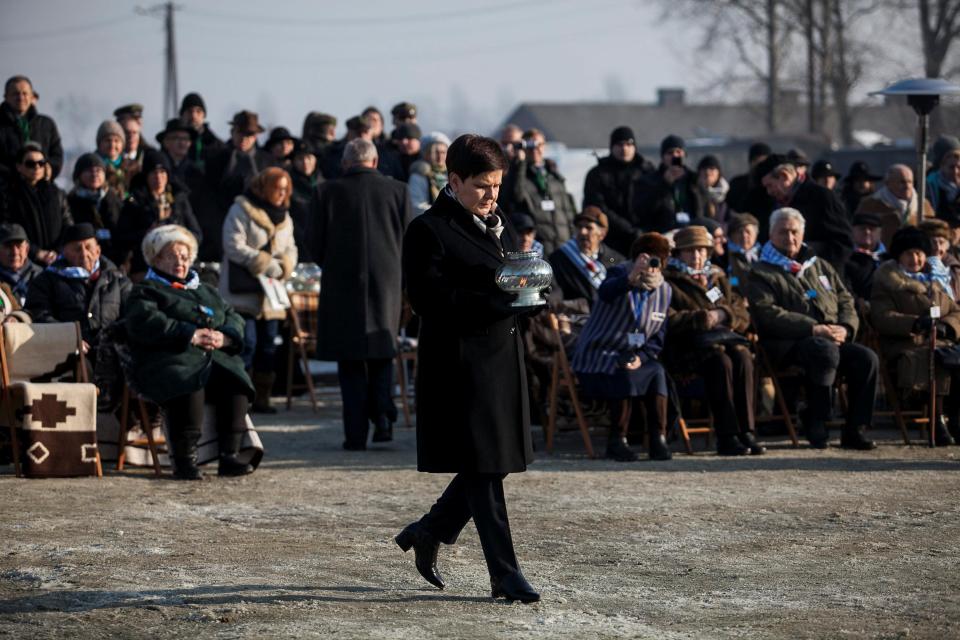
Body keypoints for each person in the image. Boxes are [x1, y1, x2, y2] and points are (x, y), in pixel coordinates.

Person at [398, 134, 539, 603]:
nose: (491, 196)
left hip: (502, 362)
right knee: (483, 469)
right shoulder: (428, 230)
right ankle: (505, 572)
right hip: (460, 368)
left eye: (497, 186)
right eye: (482, 186)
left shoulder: (503, 225)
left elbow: (511, 281)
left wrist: (530, 297)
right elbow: (429, 300)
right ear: (453, 180)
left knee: (489, 466)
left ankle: (429, 530)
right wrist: (498, 300)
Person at [123, 224, 260, 479]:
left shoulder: (205, 289)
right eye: (172, 256)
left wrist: (224, 337)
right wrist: (190, 334)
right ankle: (185, 460)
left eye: (184, 256)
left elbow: (232, 317)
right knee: (188, 379)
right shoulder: (146, 290)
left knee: (236, 380)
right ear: (156, 259)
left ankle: (229, 456)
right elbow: (144, 321)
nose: (180, 262)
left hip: (212, 356)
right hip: (167, 359)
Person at [745, 207, 877, 450]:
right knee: (822, 350)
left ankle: (855, 429)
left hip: (832, 338)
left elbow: (845, 299)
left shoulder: (820, 266)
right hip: (787, 344)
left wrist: (846, 328)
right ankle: (817, 418)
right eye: (783, 232)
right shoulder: (760, 271)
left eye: (795, 232)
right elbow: (767, 314)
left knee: (866, 358)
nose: (790, 238)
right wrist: (814, 328)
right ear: (771, 234)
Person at [312, 139, 412, 449]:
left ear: (345, 163)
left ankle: (355, 435)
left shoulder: (325, 192)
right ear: (375, 160)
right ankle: (382, 418)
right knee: (383, 352)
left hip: (342, 286)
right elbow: (410, 240)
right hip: (388, 284)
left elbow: (313, 244)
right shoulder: (398, 191)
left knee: (351, 363)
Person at [571, 232, 674, 461]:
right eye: (649, 258)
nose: (653, 266)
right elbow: (605, 292)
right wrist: (632, 275)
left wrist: (643, 357)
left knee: (657, 371)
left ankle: (658, 438)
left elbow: (658, 338)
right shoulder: (618, 273)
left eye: (659, 260)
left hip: (634, 355)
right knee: (623, 371)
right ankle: (617, 440)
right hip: (599, 354)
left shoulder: (665, 291)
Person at [664, 225, 763, 455]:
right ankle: (726, 435)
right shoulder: (669, 281)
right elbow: (668, 320)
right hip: (687, 349)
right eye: (690, 251)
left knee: (743, 356)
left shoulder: (716, 277)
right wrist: (702, 319)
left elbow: (741, 311)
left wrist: (724, 315)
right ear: (678, 254)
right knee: (721, 362)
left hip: (724, 341)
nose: (697, 257)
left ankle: (746, 431)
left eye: (701, 251)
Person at [871, 226, 960, 445]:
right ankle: (936, 420)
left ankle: (956, 419)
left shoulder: (935, 281)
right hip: (906, 343)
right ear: (898, 256)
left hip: (939, 339)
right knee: (936, 358)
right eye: (909, 253)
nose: (915, 258)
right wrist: (915, 323)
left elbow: (955, 310)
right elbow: (882, 316)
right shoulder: (887, 281)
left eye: (919, 253)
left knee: (953, 357)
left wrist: (947, 326)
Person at [220, 167, 297, 413]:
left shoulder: (285, 217)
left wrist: (284, 265)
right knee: (247, 343)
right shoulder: (241, 209)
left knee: (268, 346)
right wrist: (262, 262)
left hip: (271, 294)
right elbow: (232, 244)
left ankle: (262, 398)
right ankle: (241, 396)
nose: (281, 193)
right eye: (277, 188)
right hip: (244, 290)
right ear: (264, 187)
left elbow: (291, 247)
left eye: (285, 189)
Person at [25, 223, 131, 369]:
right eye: (76, 249)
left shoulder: (118, 280)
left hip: (113, 353)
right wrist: (69, 337)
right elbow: (38, 313)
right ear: (65, 253)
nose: (83, 253)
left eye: (88, 247)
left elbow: (131, 314)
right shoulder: (46, 281)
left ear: (98, 250)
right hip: (68, 355)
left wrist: (113, 338)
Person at [757, 154, 853, 272]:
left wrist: (805, 252)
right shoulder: (776, 204)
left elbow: (844, 244)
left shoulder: (822, 197)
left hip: (820, 277)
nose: (769, 192)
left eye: (770, 185)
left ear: (784, 176)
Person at [116, 149, 202, 278]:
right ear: (146, 175)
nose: (158, 177)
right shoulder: (135, 202)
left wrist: (179, 236)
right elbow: (121, 237)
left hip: (180, 269)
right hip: (145, 269)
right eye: (153, 173)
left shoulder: (179, 200)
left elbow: (197, 234)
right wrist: (147, 233)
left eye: (162, 172)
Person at [205, 111, 271, 260]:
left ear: (255, 137)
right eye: (240, 133)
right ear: (232, 132)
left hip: (258, 225)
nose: (244, 139)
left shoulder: (266, 161)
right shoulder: (217, 158)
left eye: (249, 135)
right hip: (223, 224)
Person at [502, 128, 577, 256]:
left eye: (539, 145)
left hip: (564, 247)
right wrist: (519, 163)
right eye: (530, 145)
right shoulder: (517, 176)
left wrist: (573, 238)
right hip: (537, 248)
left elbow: (568, 211)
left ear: (545, 146)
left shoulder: (554, 176)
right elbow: (515, 197)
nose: (535, 149)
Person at [581, 125, 653, 255]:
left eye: (628, 144)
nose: (624, 148)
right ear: (612, 147)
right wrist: (628, 229)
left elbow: (658, 204)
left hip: (644, 239)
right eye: (619, 144)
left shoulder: (647, 172)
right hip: (610, 241)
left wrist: (643, 230)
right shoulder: (598, 174)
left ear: (634, 147)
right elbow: (597, 207)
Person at [0, 142, 71, 265]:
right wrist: (36, 252)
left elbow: (68, 224)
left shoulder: (57, 193)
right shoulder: (9, 196)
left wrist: (57, 251)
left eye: (41, 163)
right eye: (30, 164)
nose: (37, 167)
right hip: (25, 263)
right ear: (19, 167)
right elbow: (7, 229)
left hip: (58, 260)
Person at [547, 206, 625, 309]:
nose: (582, 232)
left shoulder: (617, 261)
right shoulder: (560, 259)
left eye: (589, 228)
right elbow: (556, 291)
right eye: (579, 227)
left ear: (602, 234)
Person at [632, 134, 704, 232]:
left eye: (678, 152)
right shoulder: (648, 180)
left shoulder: (693, 179)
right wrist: (664, 184)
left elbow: (704, 207)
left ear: (684, 155)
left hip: (691, 231)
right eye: (670, 153)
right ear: (663, 157)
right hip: (663, 232)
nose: (674, 155)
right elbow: (643, 212)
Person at [856, 163, 935, 247]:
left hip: (915, 256)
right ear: (888, 183)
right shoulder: (870, 204)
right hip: (883, 255)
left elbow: (933, 232)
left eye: (910, 182)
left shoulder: (923, 204)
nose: (907, 186)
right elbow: (859, 232)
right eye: (902, 182)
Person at [0, 76, 63, 179]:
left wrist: (44, 169)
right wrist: (20, 172)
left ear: (32, 96)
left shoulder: (46, 124)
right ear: (6, 97)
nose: (20, 98)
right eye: (15, 94)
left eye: (25, 93)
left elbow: (56, 156)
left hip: (41, 188)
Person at [66, 153, 123, 263]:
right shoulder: (71, 201)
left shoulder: (113, 198)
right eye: (89, 170)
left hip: (116, 259)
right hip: (83, 259)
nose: (94, 174)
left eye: (98, 170)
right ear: (79, 175)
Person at [289, 140, 321, 262]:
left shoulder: (326, 184)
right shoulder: (287, 185)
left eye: (309, 157)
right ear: (293, 161)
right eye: (300, 158)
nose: (305, 162)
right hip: (297, 244)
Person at [844, 212, 885, 301]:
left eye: (872, 229)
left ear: (880, 233)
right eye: (862, 228)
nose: (867, 232)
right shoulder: (845, 259)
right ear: (852, 231)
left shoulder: (889, 259)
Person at [179, 92, 224, 174]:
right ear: (182, 115)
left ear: (204, 115)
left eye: (198, 111)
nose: (193, 116)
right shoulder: (173, 143)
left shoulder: (216, 145)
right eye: (189, 111)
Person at [714, 212, 759, 291]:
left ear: (756, 234)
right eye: (739, 232)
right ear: (731, 235)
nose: (744, 236)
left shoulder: (763, 254)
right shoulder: (723, 255)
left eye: (748, 232)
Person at [0, 222, 41, 308]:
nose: (15, 252)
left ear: (27, 249)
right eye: (8, 246)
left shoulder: (42, 276)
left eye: (19, 246)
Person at [918, 219, 960, 301]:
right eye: (933, 242)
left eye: (941, 242)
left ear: (947, 245)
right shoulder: (915, 265)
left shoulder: (954, 268)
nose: (938, 248)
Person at [408, 132, 449, 214]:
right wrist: (443, 214)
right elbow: (417, 206)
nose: (440, 156)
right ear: (426, 154)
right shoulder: (419, 175)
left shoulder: (451, 175)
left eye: (443, 152)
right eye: (436, 152)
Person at [727, 142, 770, 214]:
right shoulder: (737, 183)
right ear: (751, 162)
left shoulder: (772, 185)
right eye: (757, 162)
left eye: (765, 162)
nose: (761, 167)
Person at [926, 136, 960, 225]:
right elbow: (929, 216)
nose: (956, 172)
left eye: (959, 167)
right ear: (941, 165)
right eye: (951, 167)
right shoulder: (930, 185)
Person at [95, 120, 128, 199]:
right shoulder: (93, 167)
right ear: (99, 143)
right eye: (108, 140)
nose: (112, 145)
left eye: (116, 141)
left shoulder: (132, 167)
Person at [696, 155, 730, 223]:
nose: (707, 172)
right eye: (704, 169)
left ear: (718, 172)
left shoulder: (728, 193)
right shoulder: (693, 192)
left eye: (712, 168)